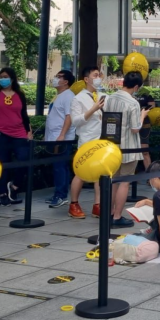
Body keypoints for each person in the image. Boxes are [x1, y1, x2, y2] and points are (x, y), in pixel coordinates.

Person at [102, 71, 149, 228]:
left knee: (113, 181)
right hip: (128, 146)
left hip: (111, 145)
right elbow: (135, 128)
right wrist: (143, 115)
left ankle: (108, 214)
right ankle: (117, 216)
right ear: (136, 86)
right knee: (124, 181)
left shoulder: (110, 98)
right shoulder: (133, 103)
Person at [0, 68, 31, 206]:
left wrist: (29, 131)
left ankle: (14, 187)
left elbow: (23, 114)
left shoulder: (19, 94)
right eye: (1, 77)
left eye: (5, 76)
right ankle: (2, 194)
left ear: (12, 78)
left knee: (24, 160)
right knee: (2, 165)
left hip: (19, 134)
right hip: (0, 134)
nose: (2, 79)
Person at [67, 66, 106, 219]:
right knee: (81, 173)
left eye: (99, 75)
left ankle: (98, 205)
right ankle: (74, 204)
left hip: (101, 141)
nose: (98, 78)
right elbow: (76, 121)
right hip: (87, 140)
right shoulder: (78, 98)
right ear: (86, 79)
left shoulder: (103, 95)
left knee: (100, 173)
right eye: (95, 75)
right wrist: (93, 108)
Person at [44, 70, 76, 208]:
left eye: (59, 77)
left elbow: (69, 117)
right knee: (59, 166)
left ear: (66, 82)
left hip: (61, 138)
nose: (55, 79)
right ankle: (58, 193)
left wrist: (62, 135)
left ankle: (61, 195)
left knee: (60, 167)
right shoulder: (59, 96)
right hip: (54, 137)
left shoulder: (68, 96)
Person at [138, 93, 156, 172]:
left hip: (144, 126)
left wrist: (143, 111)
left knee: (145, 151)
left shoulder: (147, 95)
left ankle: (150, 176)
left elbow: (153, 108)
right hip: (130, 126)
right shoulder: (127, 95)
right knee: (130, 152)